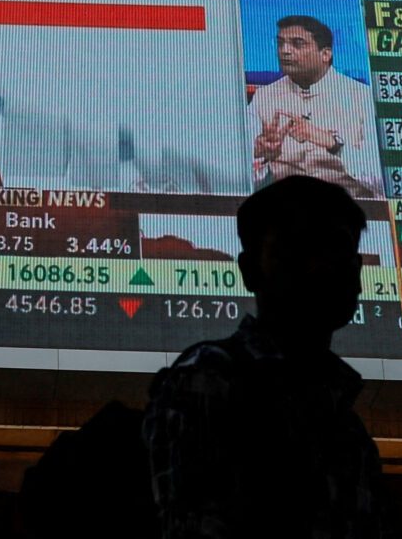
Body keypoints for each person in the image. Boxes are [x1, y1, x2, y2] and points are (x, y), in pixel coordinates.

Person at [144, 176, 387, 539]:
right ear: (250, 269)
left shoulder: (348, 429)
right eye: (302, 247)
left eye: (340, 247)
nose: (326, 264)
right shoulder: (209, 379)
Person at [247, 15, 384, 198]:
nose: (284, 51)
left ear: (326, 54)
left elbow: (385, 181)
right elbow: (239, 179)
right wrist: (258, 154)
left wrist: (335, 145)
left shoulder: (362, 97)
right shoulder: (264, 97)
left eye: (297, 43)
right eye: (280, 43)